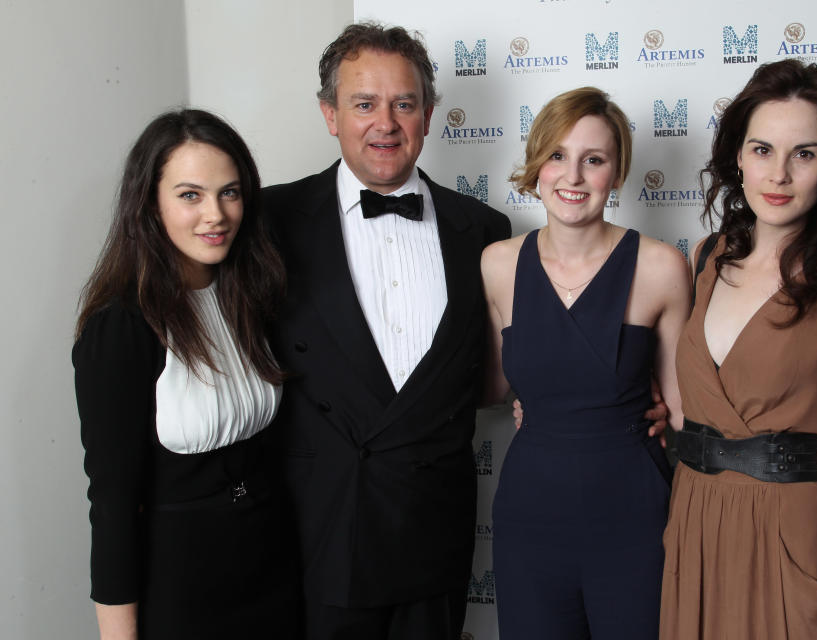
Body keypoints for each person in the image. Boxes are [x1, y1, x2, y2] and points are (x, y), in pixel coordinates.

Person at [261, 23, 511, 640]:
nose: (386, 123)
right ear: (330, 114)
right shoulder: (270, 221)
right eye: (364, 104)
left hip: (434, 531)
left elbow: (491, 375)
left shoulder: (484, 230)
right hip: (318, 532)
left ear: (429, 114)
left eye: (404, 103)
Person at [660, 59, 817, 639]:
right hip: (695, 524)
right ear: (737, 156)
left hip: (793, 538)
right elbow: (692, 398)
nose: (780, 175)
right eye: (763, 149)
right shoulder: (706, 257)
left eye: (805, 154)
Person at [73, 109, 300, 639]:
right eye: (190, 195)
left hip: (275, 574)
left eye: (230, 192)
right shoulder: (121, 328)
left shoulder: (251, 297)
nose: (216, 215)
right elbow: (111, 504)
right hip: (181, 591)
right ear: (149, 203)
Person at [481, 87, 690, 639]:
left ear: (616, 174)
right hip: (530, 514)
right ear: (537, 164)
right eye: (557, 156)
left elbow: (688, 414)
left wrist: (796, 452)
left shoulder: (662, 267)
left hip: (633, 513)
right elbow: (489, 385)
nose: (572, 176)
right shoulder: (498, 264)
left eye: (593, 160)